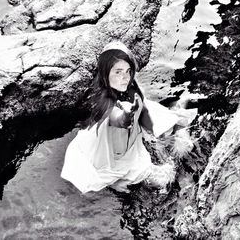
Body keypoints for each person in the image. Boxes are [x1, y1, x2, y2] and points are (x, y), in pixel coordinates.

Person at [61, 41, 179, 193]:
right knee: (164, 179)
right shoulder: (104, 102)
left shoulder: (131, 87)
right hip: (111, 146)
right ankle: (114, 182)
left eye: (128, 71)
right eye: (118, 72)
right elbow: (117, 118)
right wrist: (127, 117)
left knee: (173, 125)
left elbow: (144, 111)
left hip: (128, 138)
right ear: (106, 73)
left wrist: (151, 130)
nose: (125, 77)